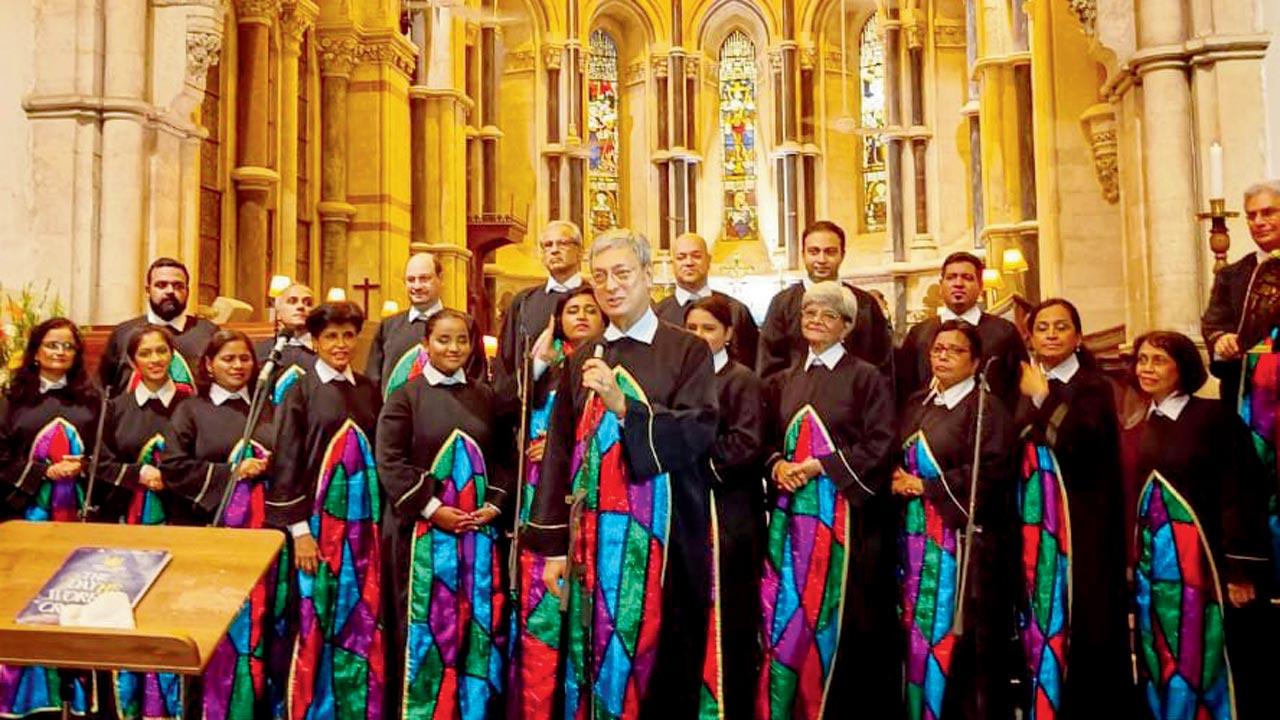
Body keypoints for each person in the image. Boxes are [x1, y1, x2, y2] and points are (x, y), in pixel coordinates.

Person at [525, 228, 718, 716]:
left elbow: (699, 431)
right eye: (601, 276)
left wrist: (624, 407)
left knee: (663, 661)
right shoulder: (583, 356)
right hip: (589, 543)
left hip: (664, 541)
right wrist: (552, 548)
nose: (611, 287)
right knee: (590, 659)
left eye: (623, 274)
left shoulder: (685, 350)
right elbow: (559, 452)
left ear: (648, 276)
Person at [756, 281, 897, 718]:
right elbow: (764, 440)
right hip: (789, 520)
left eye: (827, 315)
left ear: (848, 326)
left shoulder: (866, 377)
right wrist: (777, 464)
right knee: (787, 614)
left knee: (841, 618)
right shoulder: (784, 379)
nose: (815, 321)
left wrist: (821, 467)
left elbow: (881, 444)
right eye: (809, 313)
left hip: (845, 524)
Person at [1126, 331, 1272, 720]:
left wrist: (1241, 570)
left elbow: (1243, 493)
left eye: (1158, 360)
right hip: (1153, 577)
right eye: (1142, 359)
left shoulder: (1213, 418)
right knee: (1160, 656)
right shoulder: (1139, 425)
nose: (1147, 368)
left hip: (1205, 574)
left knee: (1205, 656)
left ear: (1183, 367)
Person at [375, 309, 512, 719]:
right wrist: (434, 510)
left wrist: (494, 504)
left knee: (476, 628)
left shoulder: (485, 396)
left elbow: (504, 457)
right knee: (425, 633)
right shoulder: (405, 397)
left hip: (477, 536)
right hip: (421, 537)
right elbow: (390, 462)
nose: (453, 348)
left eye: (462, 341)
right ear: (426, 344)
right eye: (443, 340)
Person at [266, 301, 384, 719]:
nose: (340, 344)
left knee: (360, 616)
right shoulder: (299, 390)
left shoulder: (369, 389)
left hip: (364, 530)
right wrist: (300, 532)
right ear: (315, 341)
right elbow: (287, 461)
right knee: (313, 616)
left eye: (348, 335)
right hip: (316, 531)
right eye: (330, 336)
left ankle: (357, 706)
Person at [1014, 299, 1132, 717]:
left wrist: (1042, 396)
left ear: (1078, 337)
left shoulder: (1094, 385)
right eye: (1041, 327)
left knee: (1088, 620)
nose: (1050, 334)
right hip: (1035, 522)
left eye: (1060, 327)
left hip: (1083, 521)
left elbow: (1078, 441)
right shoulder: (1024, 385)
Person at [895, 320, 1017, 720]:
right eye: (937, 349)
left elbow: (992, 471)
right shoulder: (917, 403)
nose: (943, 356)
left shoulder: (987, 409)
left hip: (964, 548)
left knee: (965, 647)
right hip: (915, 542)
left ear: (977, 360)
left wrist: (925, 487)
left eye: (955, 350)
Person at [160, 329, 282, 720]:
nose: (237, 366)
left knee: (262, 627)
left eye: (244, 358)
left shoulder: (268, 410)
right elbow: (174, 468)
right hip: (211, 537)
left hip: (264, 538)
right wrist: (232, 473)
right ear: (209, 365)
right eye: (228, 359)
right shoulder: (191, 410)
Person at [506, 284, 604, 720]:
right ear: (558, 320)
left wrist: (567, 444)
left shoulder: (613, 364)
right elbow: (498, 409)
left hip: (595, 499)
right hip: (540, 501)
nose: (581, 316)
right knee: (543, 610)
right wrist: (535, 365)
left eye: (590, 309)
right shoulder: (544, 368)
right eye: (572, 310)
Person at [0, 318, 105, 718]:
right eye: (52, 345)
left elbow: (105, 455)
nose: (60, 353)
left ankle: (76, 701)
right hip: (25, 516)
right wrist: (44, 472)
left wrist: (84, 466)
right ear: (36, 350)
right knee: (26, 602)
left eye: (68, 347)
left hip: (78, 519)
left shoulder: (91, 402)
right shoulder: (12, 399)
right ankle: (22, 699)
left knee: (74, 602)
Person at [97, 324, 191, 719]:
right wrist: (137, 475)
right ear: (133, 361)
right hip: (130, 525)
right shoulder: (115, 407)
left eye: (162, 352)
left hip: (180, 525)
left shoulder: (192, 403)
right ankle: (130, 702)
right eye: (146, 353)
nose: (155, 360)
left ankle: (174, 703)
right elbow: (100, 464)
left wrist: (172, 477)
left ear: (173, 355)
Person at [683, 295, 764, 720]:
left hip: (726, 508)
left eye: (708, 329)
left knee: (728, 610)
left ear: (729, 334)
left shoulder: (741, 379)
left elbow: (747, 442)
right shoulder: (679, 376)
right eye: (691, 328)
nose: (698, 337)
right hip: (688, 510)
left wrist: (690, 460)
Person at [1201, 179, 1280, 596]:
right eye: (1251, 214)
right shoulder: (1234, 274)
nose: (1258, 221)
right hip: (1249, 407)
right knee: (1249, 491)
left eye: (1269, 212)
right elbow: (1213, 322)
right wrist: (1221, 341)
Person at [757, 220, 894, 381]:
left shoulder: (865, 303)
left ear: (842, 254)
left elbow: (882, 364)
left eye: (830, 252)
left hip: (855, 398)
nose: (821, 260)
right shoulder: (782, 304)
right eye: (814, 252)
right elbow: (769, 367)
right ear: (803, 254)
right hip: (796, 399)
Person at [897, 251, 1027, 411]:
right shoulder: (919, 334)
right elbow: (903, 389)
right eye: (951, 277)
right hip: (928, 425)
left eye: (967, 277)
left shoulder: (1003, 332)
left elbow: (1020, 388)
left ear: (981, 286)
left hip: (988, 423)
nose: (958, 284)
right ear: (941, 285)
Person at [364, 252, 487, 393]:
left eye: (424, 279)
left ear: (440, 279)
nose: (417, 286)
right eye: (411, 280)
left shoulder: (464, 324)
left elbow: (477, 382)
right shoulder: (388, 327)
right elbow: (373, 382)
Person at [99, 257, 219, 396]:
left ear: (188, 291)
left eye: (178, 286)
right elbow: (105, 388)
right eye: (161, 285)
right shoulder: (123, 333)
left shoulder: (208, 332)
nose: (170, 291)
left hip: (194, 414)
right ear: (148, 290)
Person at [494, 220, 585, 399]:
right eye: (547, 245)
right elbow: (506, 363)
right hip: (536, 405)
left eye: (563, 243)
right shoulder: (524, 302)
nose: (554, 250)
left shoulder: (595, 299)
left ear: (580, 251)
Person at [654, 233, 760, 369]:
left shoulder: (736, 310)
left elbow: (752, 364)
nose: (689, 262)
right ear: (672, 263)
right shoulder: (657, 315)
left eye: (696, 256)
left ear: (709, 260)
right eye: (681, 257)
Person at [255, 282, 317, 372]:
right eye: (292, 301)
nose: (300, 306)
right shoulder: (261, 351)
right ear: (278, 313)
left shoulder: (325, 350)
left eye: (308, 303)